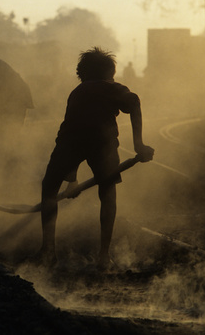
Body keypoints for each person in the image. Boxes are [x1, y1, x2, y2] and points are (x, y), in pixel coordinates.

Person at [35, 47, 154, 270]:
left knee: (49, 189)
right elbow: (135, 103)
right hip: (103, 144)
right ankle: (103, 255)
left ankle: (48, 250)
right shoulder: (112, 87)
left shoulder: (77, 92)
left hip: (72, 143)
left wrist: (71, 179)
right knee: (107, 194)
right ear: (110, 72)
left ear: (82, 74)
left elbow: (70, 136)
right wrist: (139, 144)